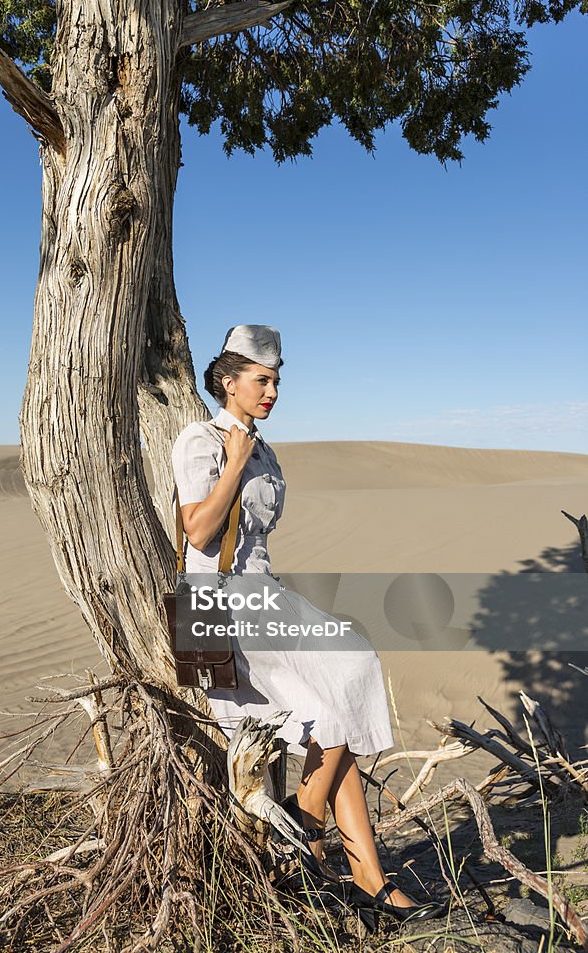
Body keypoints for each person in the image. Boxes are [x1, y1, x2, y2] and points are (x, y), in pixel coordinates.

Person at [171, 325, 446, 924]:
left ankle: (332, 850)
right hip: (219, 602)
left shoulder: (266, 451)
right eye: (261, 380)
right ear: (228, 382)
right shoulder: (201, 441)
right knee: (341, 688)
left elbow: (260, 542)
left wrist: (251, 454)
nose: (272, 391)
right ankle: (315, 840)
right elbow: (197, 532)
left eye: (277, 381)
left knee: (350, 674)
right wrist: (233, 462)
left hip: (264, 593)